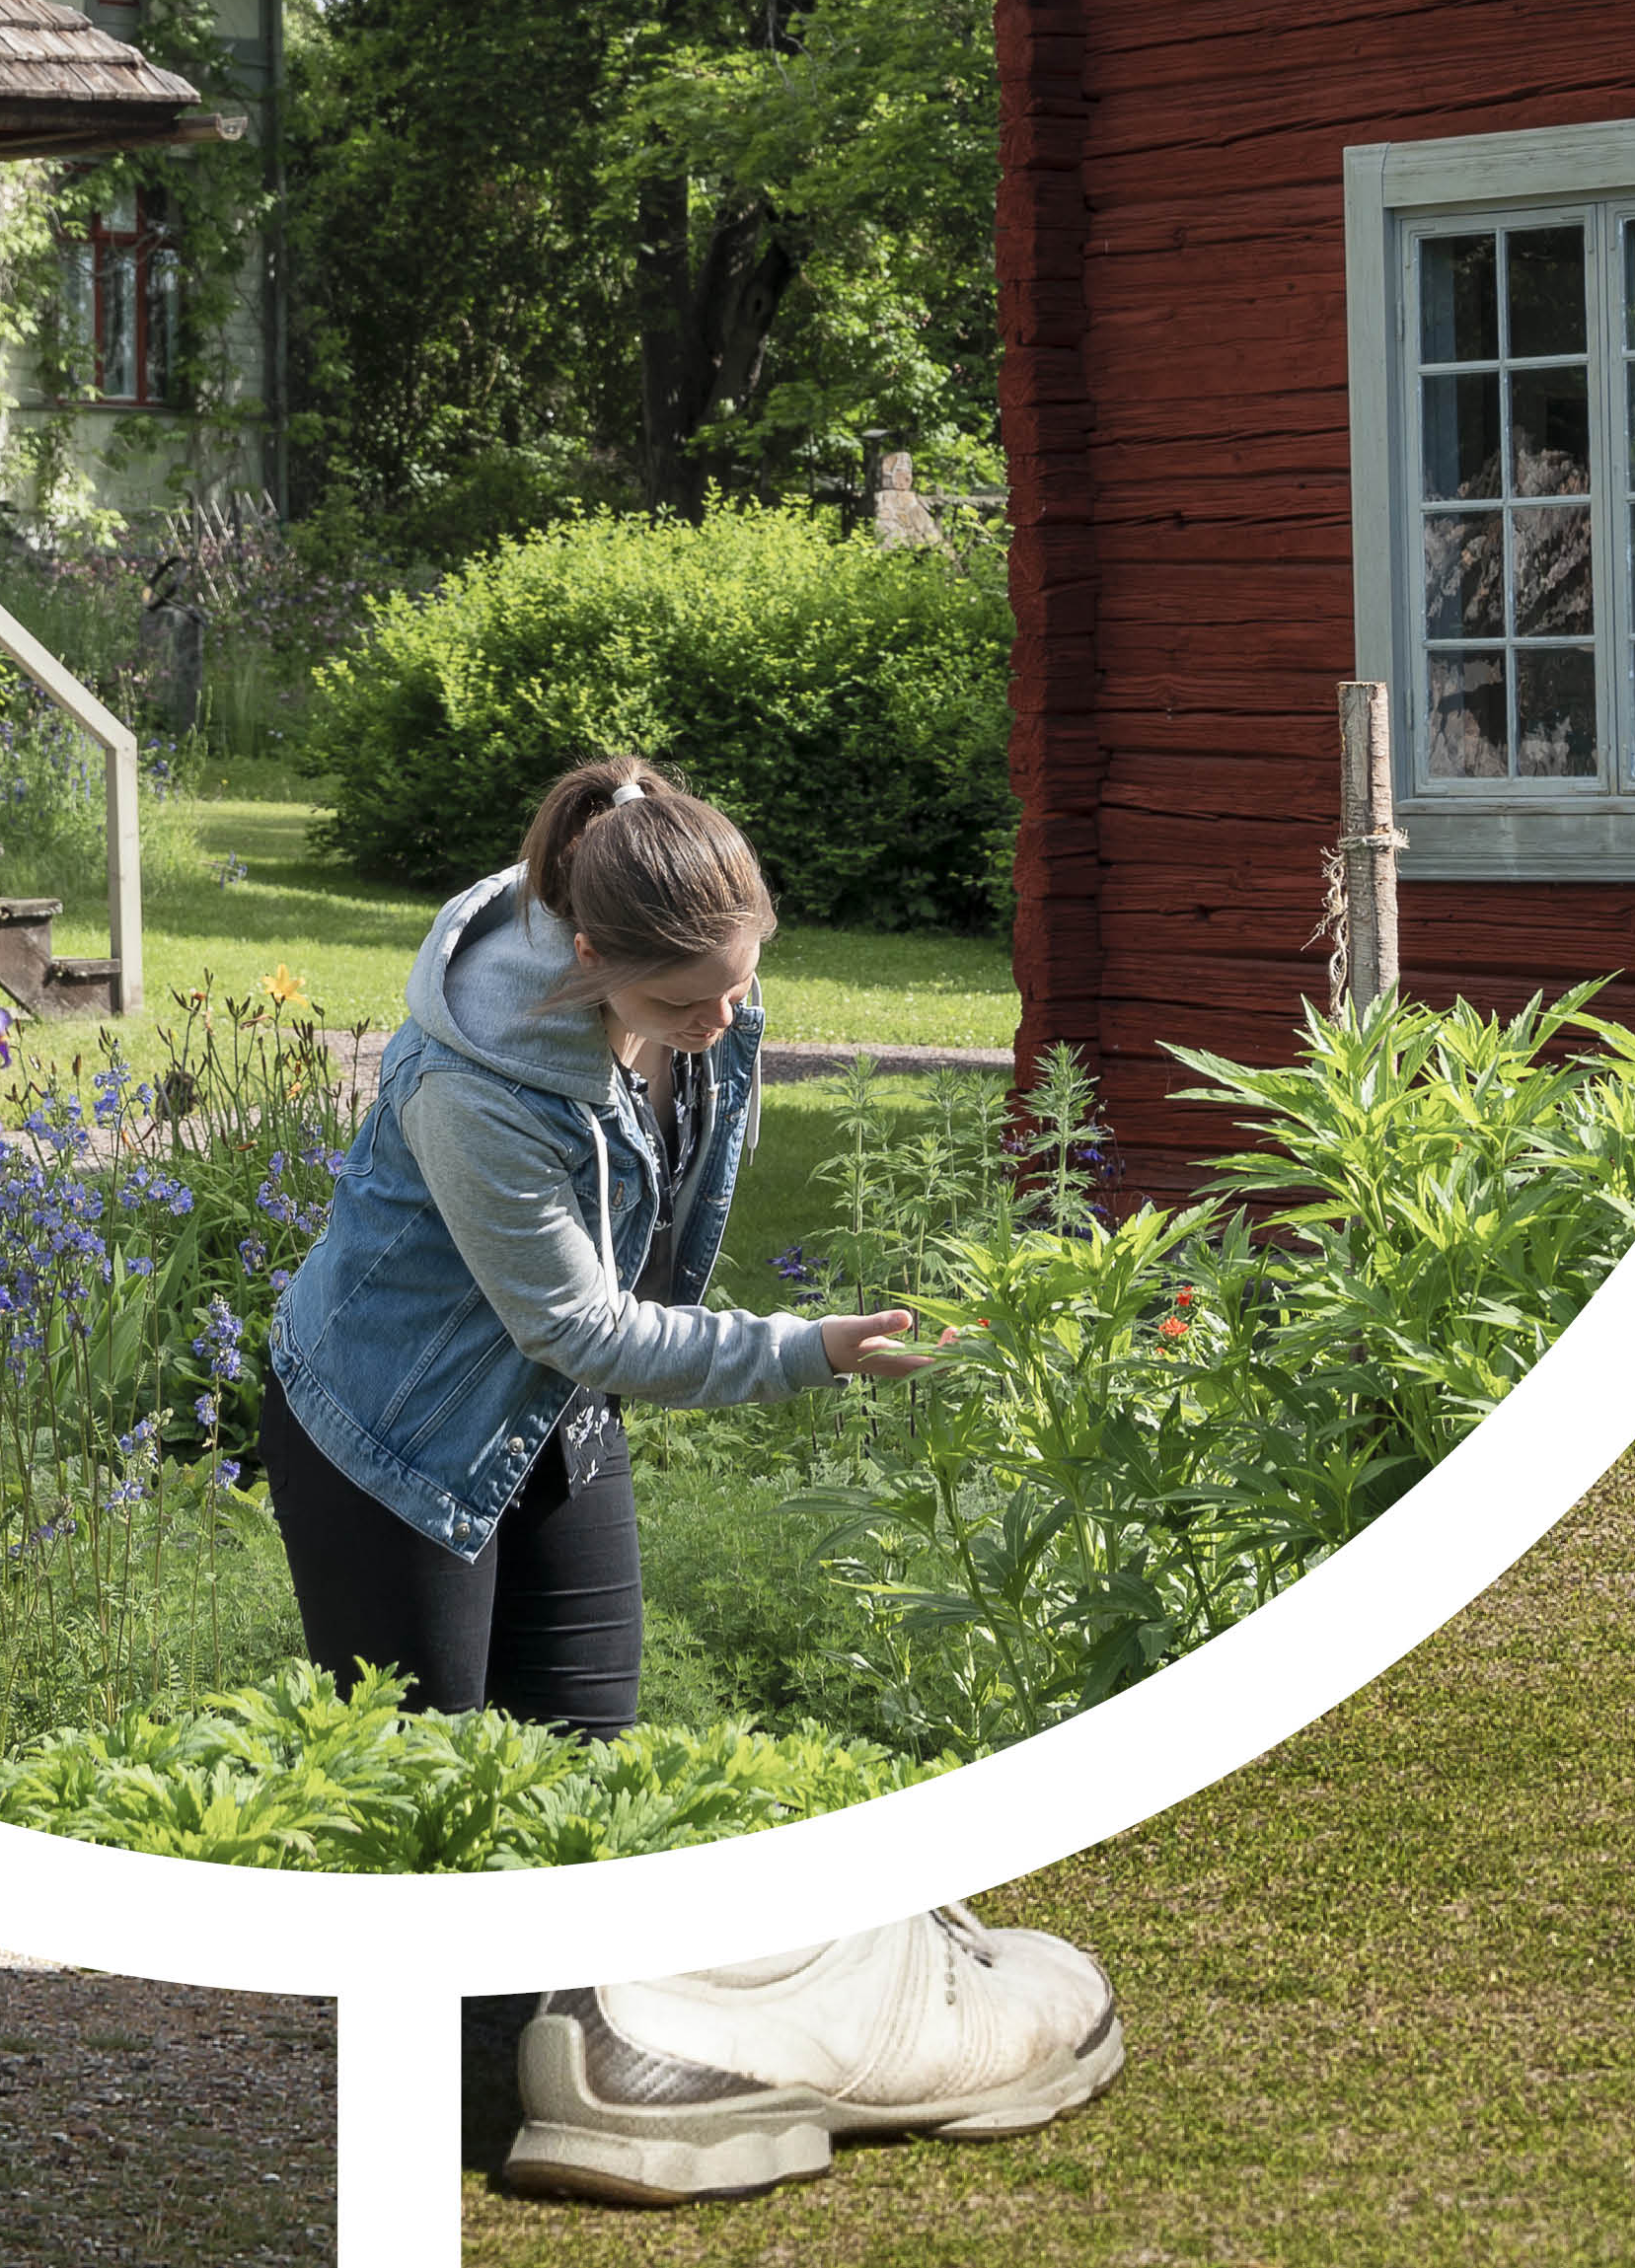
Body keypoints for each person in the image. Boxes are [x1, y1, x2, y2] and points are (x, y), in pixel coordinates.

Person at [264, 753, 1102, 2203]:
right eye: (682, 1006)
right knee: (432, 1816)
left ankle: (583, 2090)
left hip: (554, 1416)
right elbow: (576, 1322)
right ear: (590, 959)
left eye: (738, 984)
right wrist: (808, 1350)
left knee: (589, 1778)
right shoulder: (482, 1088)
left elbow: (608, 1292)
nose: (721, 1024)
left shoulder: (694, 975)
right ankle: (421, 2143)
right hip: (392, 1438)